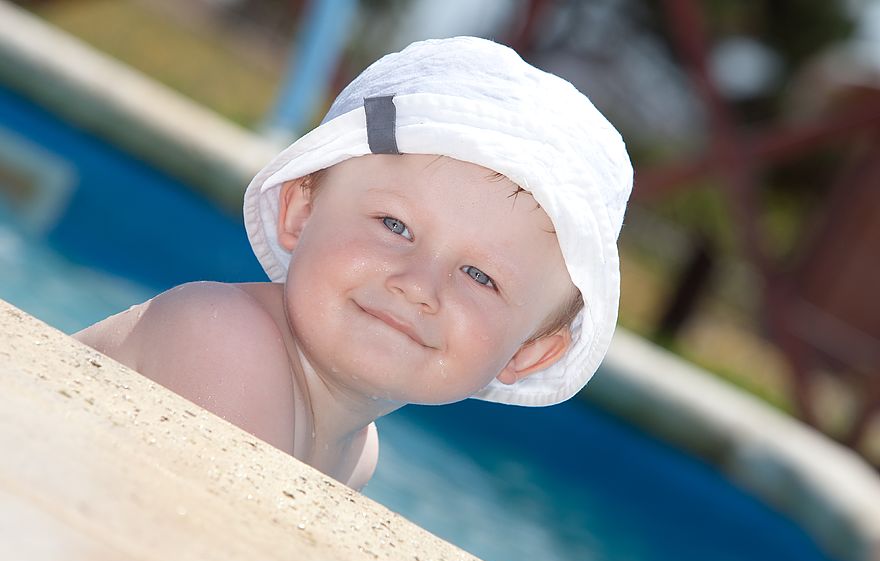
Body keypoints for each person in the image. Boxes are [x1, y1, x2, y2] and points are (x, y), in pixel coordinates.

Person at [73, 36, 633, 490]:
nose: (419, 286)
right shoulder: (222, 340)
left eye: (480, 277)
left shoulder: (356, 452)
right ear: (302, 210)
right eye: (395, 227)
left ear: (530, 350)